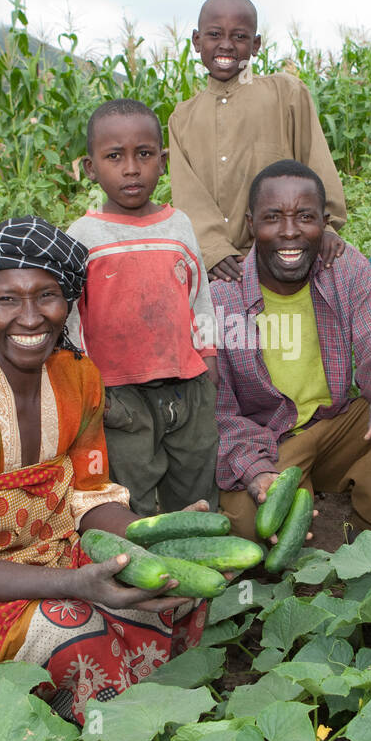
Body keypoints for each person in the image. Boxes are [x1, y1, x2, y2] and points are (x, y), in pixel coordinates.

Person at [0, 217, 206, 725]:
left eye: (47, 296)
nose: (30, 317)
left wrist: (154, 534)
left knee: (178, 592)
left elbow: (89, 495)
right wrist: (78, 586)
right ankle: (71, 728)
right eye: (7, 300)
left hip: (56, 552)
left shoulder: (79, 375)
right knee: (73, 631)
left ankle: (115, 715)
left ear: (68, 301)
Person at [212, 159, 371, 545]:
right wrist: (256, 471)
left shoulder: (343, 270)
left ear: (324, 221)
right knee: (252, 529)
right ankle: (296, 493)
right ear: (251, 224)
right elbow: (220, 412)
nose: (289, 232)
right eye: (272, 218)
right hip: (268, 441)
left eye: (304, 217)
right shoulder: (220, 299)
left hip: (334, 426)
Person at [65, 98, 219, 515]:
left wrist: (209, 357)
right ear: (92, 167)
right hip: (118, 394)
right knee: (134, 492)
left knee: (197, 482)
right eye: (114, 156)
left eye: (145, 154)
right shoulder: (83, 236)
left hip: (187, 385)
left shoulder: (178, 225)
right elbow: (71, 321)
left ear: (162, 161)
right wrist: (89, 390)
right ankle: (146, 572)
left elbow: (199, 296)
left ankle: (204, 564)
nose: (131, 168)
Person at [169, 0, 348, 283]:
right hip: (222, 269)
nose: (226, 45)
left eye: (239, 37)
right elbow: (189, 196)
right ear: (197, 41)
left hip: (290, 253)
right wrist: (214, 250)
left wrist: (327, 226)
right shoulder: (182, 118)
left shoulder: (286, 93)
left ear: (255, 45)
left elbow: (316, 161)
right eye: (214, 34)